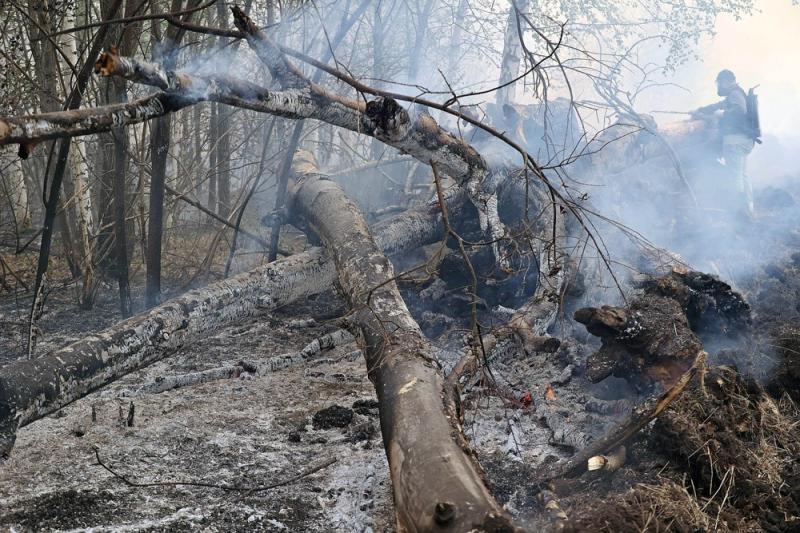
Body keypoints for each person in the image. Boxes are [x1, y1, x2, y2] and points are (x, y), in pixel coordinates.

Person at [692, 69, 756, 215]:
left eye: (719, 83)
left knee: (734, 176)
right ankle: (749, 208)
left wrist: (720, 114)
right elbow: (718, 105)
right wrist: (701, 110)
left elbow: (740, 110)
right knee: (742, 175)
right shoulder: (735, 94)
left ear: (725, 81)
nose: (718, 87)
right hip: (744, 141)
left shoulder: (735, 94)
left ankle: (738, 212)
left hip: (735, 142)